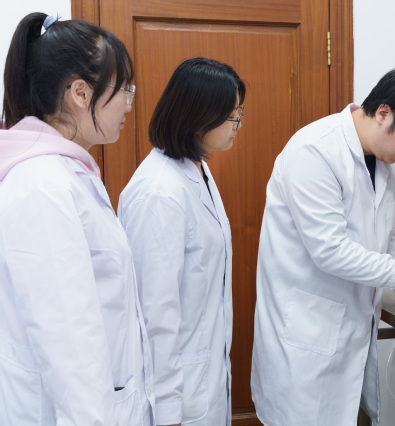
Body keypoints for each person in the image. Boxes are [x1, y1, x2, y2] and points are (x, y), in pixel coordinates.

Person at [251, 67, 395, 425]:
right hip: (307, 337)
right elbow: (331, 251)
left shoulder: (387, 161)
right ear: (383, 113)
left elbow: (386, 234)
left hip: (352, 332)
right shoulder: (314, 151)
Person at [0, 12, 153, 425]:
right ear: (81, 93)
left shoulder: (67, 175)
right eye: (124, 90)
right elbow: (69, 346)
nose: (129, 103)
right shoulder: (43, 186)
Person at [118, 57, 245, 426]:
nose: (238, 125)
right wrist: (168, 411)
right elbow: (155, 314)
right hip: (175, 395)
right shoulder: (159, 192)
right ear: (200, 118)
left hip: (203, 378)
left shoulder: (196, 168)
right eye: (232, 116)